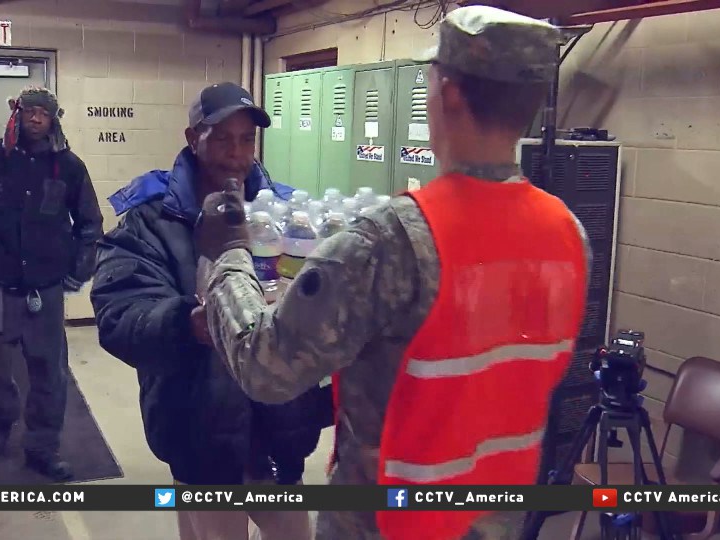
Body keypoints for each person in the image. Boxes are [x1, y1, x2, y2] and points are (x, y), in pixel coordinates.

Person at [193, 6, 591, 540]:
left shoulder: (391, 240)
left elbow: (267, 367)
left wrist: (229, 257)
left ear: (447, 92)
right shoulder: (568, 234)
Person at [90, 82, 329, 540]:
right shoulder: (150, 220)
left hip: (279, 430)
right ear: (191, 137)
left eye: (245, 139)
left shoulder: (282, 215)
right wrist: (190, 323)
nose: (235, 154)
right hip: (198, 432)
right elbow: (120, 315)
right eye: (221, 138)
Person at [0, 86, 104, 482]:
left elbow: (90, 223)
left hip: (44, 291)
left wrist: (79, 269)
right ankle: (4, 420)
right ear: (17, 114)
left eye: (43, 114)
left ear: (53, 120)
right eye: (30, 112)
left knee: (50, 373)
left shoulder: (68, 167)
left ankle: (42, 447)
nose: (36, 119)